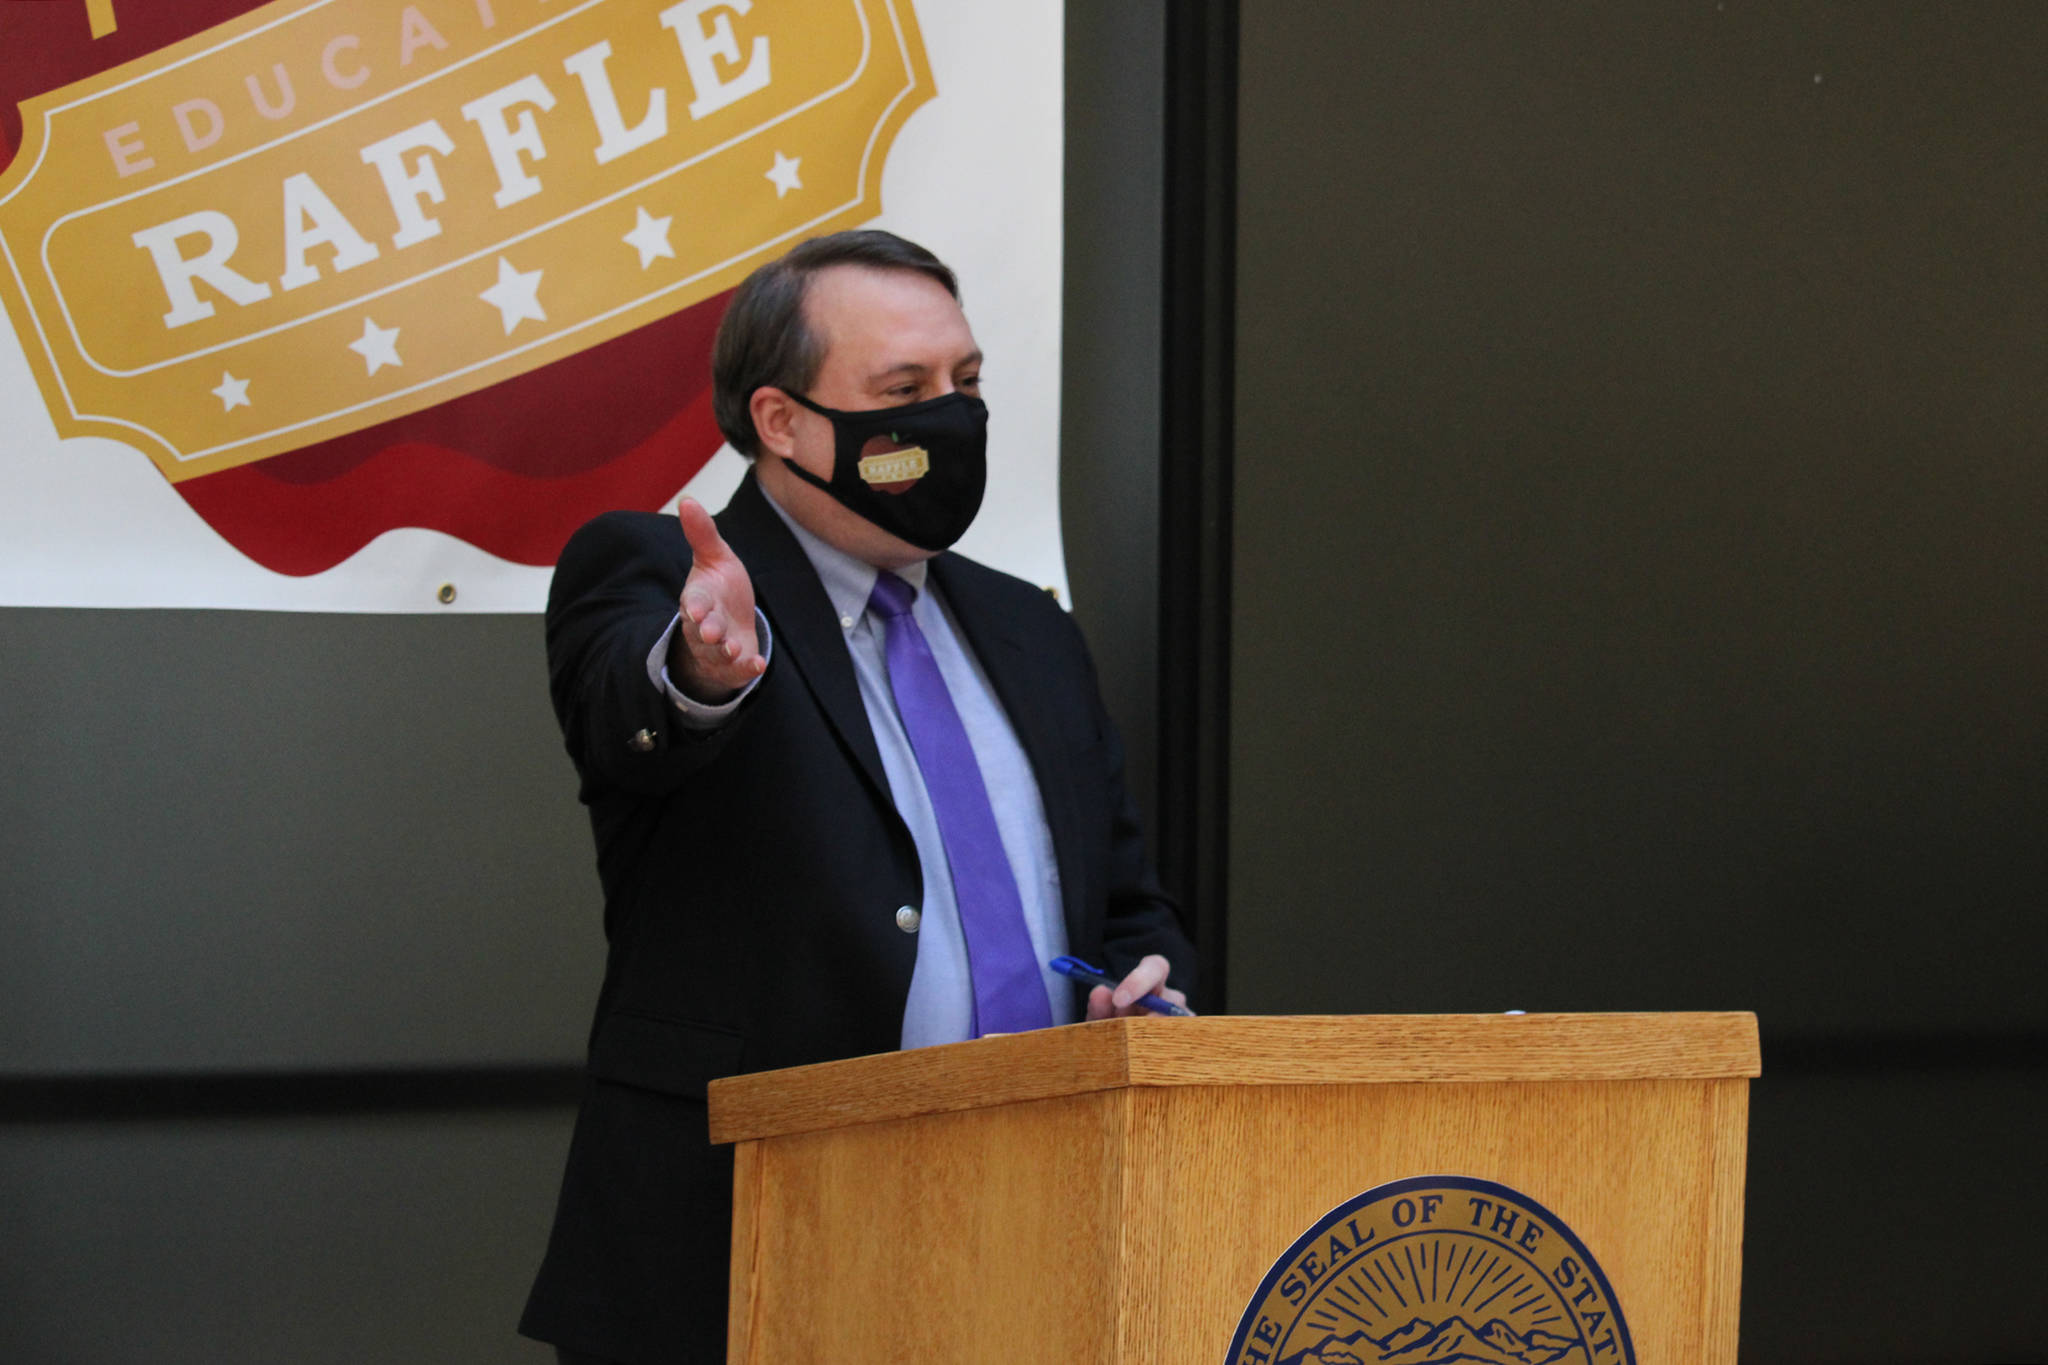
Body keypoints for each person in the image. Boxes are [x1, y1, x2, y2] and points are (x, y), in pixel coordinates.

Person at [519, 230, 1196, 1365]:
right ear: (780, 422)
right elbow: (627, 724)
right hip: (746, 1251)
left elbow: (1124, 901)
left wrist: (1148, 995)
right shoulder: (661, 579)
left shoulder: (1027, 629)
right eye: (904, 391)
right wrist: (699, 675)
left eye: (965, 384)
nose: (950, 418)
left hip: (1035, 1233)